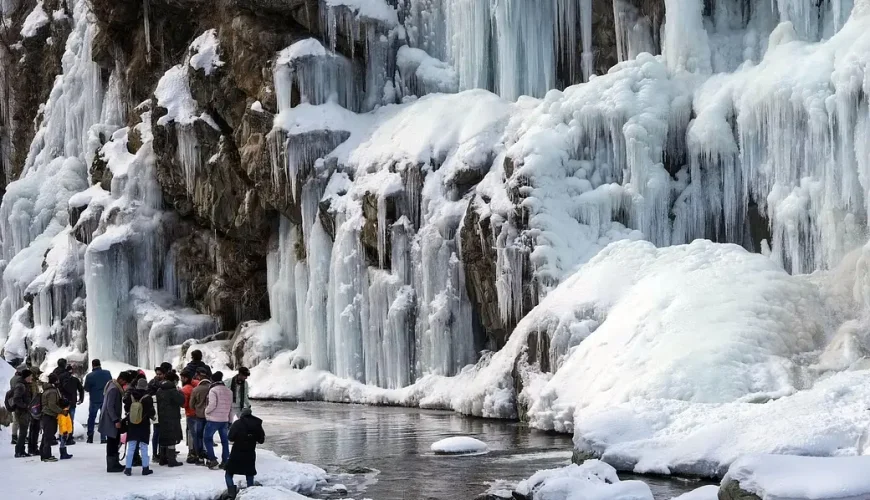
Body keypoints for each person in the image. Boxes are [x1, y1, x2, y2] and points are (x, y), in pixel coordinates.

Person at [224, 408, 265, 499]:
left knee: (229, 473)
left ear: (242, 414)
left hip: (236, 452)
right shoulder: (257, 424)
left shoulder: (237, 423)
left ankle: (231, 493)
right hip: (250, 453)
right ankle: (250, 492)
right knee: (249, 474)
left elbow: (230, 437)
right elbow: (261, 440)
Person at [100, 370, 133, 473]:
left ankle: (114, 463)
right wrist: (115, 420)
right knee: (112, 442)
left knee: (114, 441)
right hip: (111, 420)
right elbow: (110, 406)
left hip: (110, 419)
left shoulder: (111, 385)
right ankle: (112, 465)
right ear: (121, 380)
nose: (125, 385)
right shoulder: (114, 389)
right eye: (125, 382)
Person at [123, 378, 155, 476]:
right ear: (146, 386)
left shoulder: (131, 395)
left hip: (132, 423)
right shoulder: (148, 397)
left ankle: (128, 468)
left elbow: (126, 407)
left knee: (131, 446)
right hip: (144, 424)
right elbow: (151, 412)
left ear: (137, 385)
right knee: (144, 447)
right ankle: (145, 468)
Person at [204, 371, 233, 470]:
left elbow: (212, 404)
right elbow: (231, 407)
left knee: (207, 438)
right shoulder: (229, 391)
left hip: (213, 419)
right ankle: (225, 461)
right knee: (225, 441)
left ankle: (212, 460)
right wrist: (230, 420)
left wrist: (206, 411)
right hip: (224, 419)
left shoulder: (213, 390)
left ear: (212, 380)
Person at [156, 371, 185, 467]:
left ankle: (162, 458)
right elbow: (181, 401)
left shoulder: (159, 389)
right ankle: (172, 460)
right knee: (172, 438)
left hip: (162, 417)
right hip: (172, 417)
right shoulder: (173, 391)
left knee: (163, 437)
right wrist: (180, 392)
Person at [83, 359, 112, 444]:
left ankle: (90, 436)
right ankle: (103, 437)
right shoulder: (107, 373)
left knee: (91, 417)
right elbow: (110, 384)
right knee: (103, 418)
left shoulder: (90, 376)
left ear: (92, 365)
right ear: (100, 364)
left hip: (94, 399)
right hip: (105, 398)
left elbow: (86, 388)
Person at [40, 373, 63, 462]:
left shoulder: (47, 389)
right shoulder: (52, 391)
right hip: (49, 415)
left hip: (46, 415)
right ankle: (47, 455)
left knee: (46, 435)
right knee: (48, 436)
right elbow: (52, 405)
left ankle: (43, 453)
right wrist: (61, 411)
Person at [59, 364, 84, 444]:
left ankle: (62, 436)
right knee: (70, 420)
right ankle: (69, 437)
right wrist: (81, 398)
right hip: (72, 402)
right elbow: (81, 389)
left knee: (63, 420)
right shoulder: (75, 380)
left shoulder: (60, 378)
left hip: (62, 403)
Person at [11, 369, 33, 457]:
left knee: (23, 432)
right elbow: (16, 398)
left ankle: (21, 450)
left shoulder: (24, 384)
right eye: (30, 376)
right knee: (23, 432)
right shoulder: (20, 385)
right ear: (27, 377)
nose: (31, 378)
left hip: (23, 411)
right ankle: (18, 451)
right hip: (21, 412)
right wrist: (25, 406)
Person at [147, 364, 167, 460]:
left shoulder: (162, 383)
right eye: (157, 374)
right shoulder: (153, 383)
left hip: (162, 410)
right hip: (156, 410)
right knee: (157, 432)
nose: (159, 376)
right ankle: (155, 453)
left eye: (160, 374)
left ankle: (161, 452)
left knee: (161, 433)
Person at [180, 370, 200, 463]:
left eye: (182, 377)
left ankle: (193, 452)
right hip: (200, 413)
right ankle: (200, 451)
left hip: (190, 413)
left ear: (185, 378)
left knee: (192, 434)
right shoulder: (197, 384)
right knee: (199, 433)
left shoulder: (185, 389)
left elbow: (184, 404)